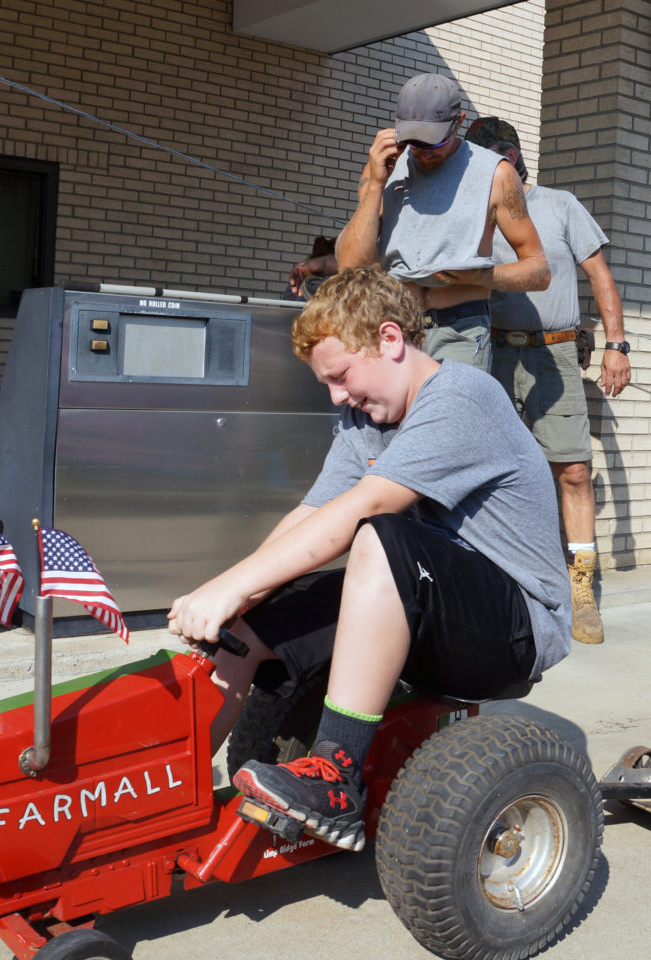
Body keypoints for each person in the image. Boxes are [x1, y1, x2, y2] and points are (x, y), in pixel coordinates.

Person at [168, 265, 570, 852]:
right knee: (252, 622)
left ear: (389, 339)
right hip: (427, 606)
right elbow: (311, 514)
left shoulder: (463, 398)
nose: (338, 396)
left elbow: (370, 505)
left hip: (514, 630)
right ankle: (169, 791)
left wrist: (233, 585)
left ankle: (336, 777)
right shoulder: (364, 419)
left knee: (378, 535)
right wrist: (234, 594)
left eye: (342, 376)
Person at [464, 117, 632, 645]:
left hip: (554, 356)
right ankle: (499, 582)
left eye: (493, 155)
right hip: (487, 354)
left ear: (512, 155)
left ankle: (580, 592)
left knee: (575, 473)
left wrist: (616, 345)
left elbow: (599, 275)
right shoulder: (471, 212)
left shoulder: (561, 205)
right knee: (486, 474)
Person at [334, 72, 550, 372]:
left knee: (453, 418)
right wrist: (375, 185)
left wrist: (479, 276)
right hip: (393, 325)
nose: (421, 153)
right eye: (413, 142)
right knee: (391, 420)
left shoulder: (496, 174)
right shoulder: (383, 167)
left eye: (432, 143)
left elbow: (539, 271)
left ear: (458, 122)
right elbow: (350, 265)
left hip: (460, 330)